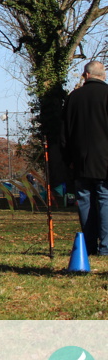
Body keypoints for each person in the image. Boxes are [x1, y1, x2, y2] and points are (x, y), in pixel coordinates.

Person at [62, 60, 108, 255]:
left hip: (80, 159)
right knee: (105, 200)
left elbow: (64, 132)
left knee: (85, 200)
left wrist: (68, 159)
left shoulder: (74, 97)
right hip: (105, 160)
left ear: (86, 75)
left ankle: (88, 246)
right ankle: (106, 247)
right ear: (103, 75)